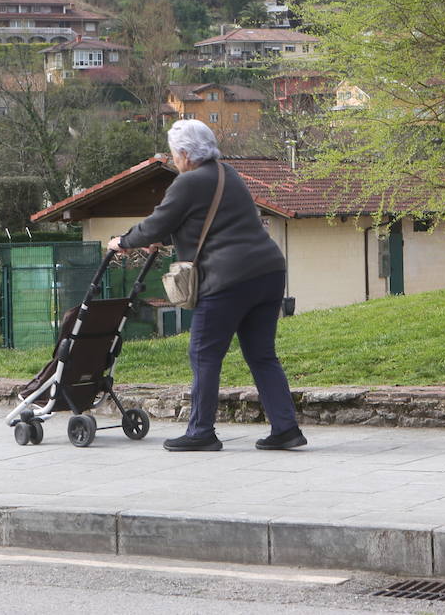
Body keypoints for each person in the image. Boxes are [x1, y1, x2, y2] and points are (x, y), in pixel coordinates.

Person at [108, 119, 306, 452]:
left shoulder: (188, 182)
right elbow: (209, 224)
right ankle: (286, 428)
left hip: (228, 278)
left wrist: (123, 241)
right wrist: (167, 240)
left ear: (185, 154)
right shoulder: (228, 174)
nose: (173, 161)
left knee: (203, 352)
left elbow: (159, 221)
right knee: (262, 354)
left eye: (174, 155)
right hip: (269, 271)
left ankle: (201, 431)